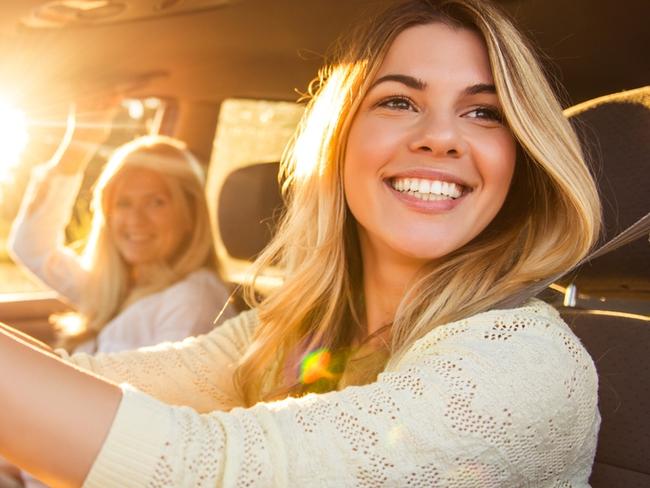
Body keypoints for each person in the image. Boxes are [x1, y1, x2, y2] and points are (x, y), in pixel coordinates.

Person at [0, 0, 602, 486]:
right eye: (399, 101)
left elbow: (209, 468)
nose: (441, 137)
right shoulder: (291, 331)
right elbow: (92, 383)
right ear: (339, 143)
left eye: (484, 113)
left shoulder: (524, 364)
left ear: (518, 160)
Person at [8, 121, 236, 354]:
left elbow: (164, 389)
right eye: (123, 203)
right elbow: (31, 248)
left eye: (156, 202)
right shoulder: (113, 287)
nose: (136, 219)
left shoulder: (193, 300)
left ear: (191, 215)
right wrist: (78, 145)